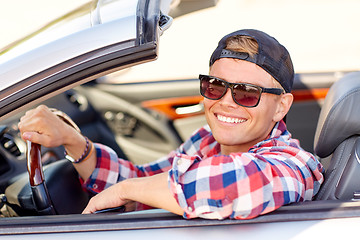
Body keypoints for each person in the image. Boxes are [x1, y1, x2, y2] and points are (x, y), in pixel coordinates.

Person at [18, 29, 324, 220]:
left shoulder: (295, 164)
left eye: (247, 93)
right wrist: (73, 141)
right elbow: (146, 180)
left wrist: (128, 190)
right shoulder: (206, 141)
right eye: (216, 86)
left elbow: (234, 185)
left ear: (280, 107)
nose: (227, 102)